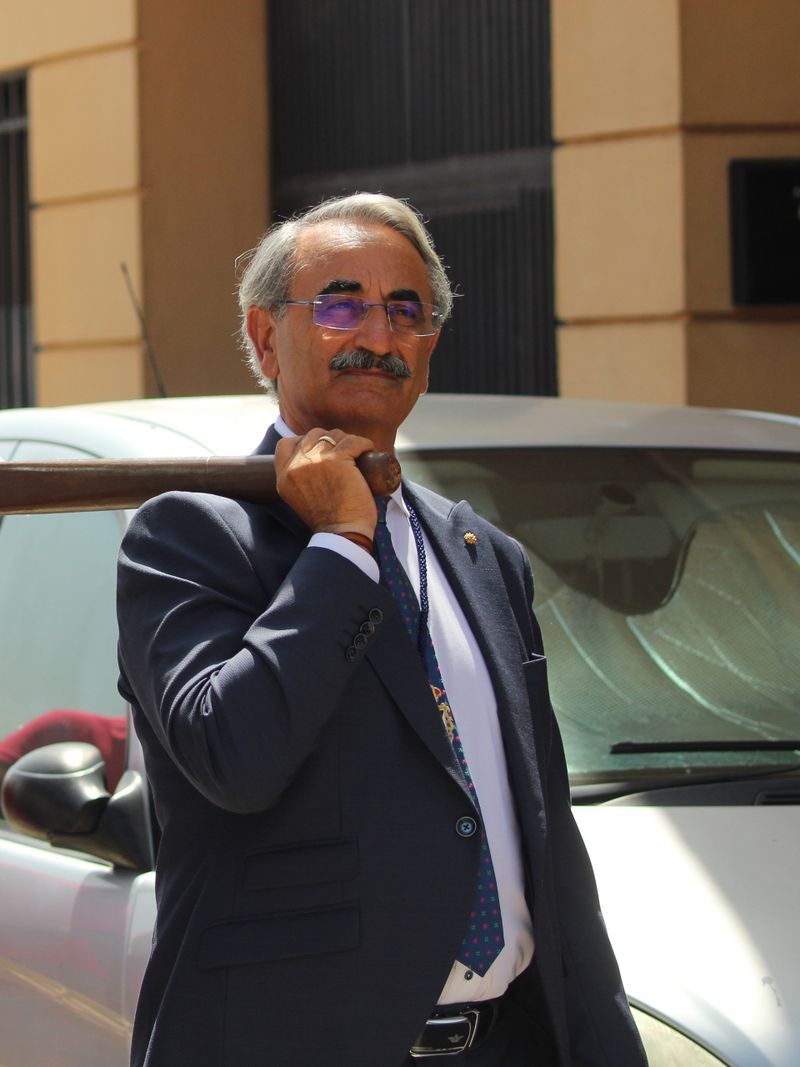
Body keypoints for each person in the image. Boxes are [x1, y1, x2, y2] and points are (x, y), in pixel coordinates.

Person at [116, 193, 647, 1065]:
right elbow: (234, 757)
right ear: (264, 337)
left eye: (407, 309)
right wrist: (340, 542)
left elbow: (547, 840)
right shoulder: (190, 536)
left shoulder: (486, 556)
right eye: (340, 304)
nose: (379, 332)